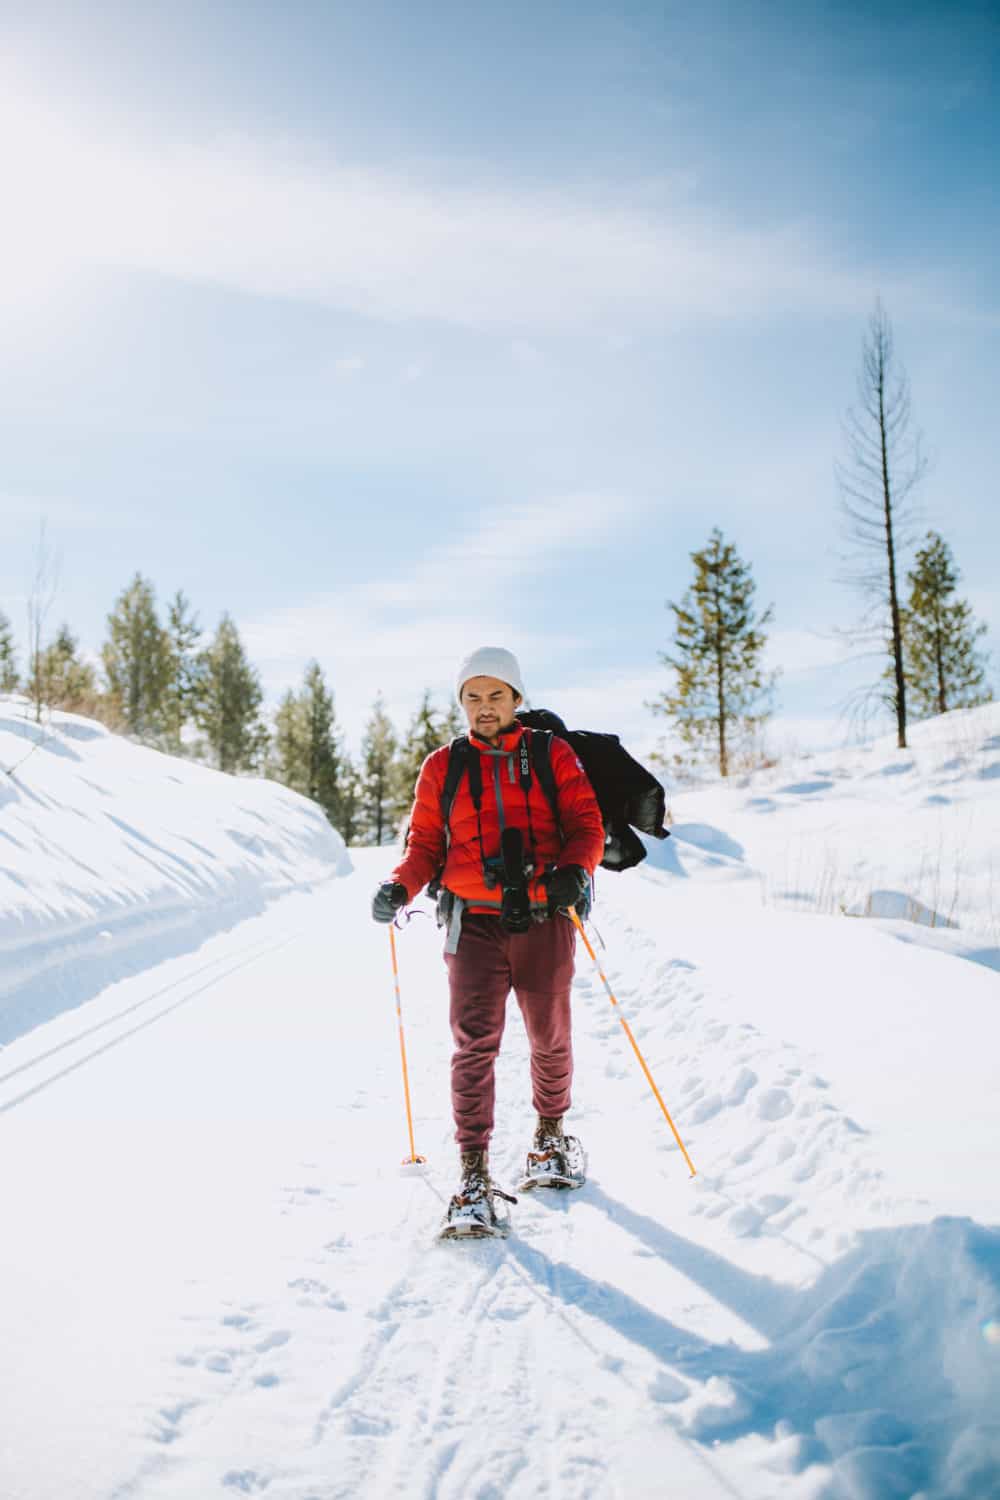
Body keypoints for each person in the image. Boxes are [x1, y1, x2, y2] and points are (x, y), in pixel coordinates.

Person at [371, 646, 605, 1235]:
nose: (482, 707)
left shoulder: (551, 754)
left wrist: (577, 870)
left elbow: (586, 824)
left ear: (517, 699)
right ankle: (473, 1177)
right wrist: (400, 886)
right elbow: (424, 844)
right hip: (471, 920)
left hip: (544, 916)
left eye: (495, 695)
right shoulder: (441, 767)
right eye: (471, 697)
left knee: (549, 1033)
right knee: (473, 1043)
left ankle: (550, 1139)